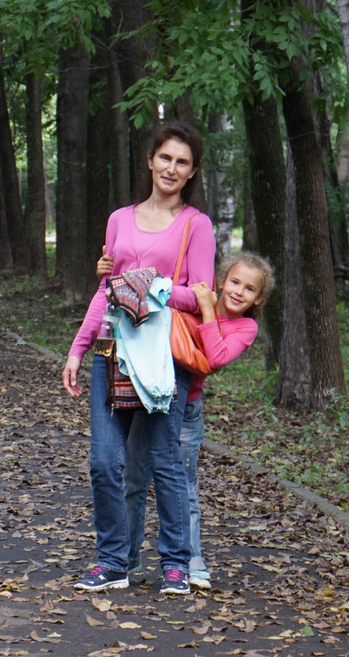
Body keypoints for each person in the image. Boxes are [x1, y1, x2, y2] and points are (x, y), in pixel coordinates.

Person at [62, 122, 216, 596]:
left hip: (160, 357)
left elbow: (203, 295)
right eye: (165, 158)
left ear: (191, 173)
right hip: (112, 350)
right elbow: (106, 292)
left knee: (165, 462)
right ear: (150, 160)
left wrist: (153, 287)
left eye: (182, 162)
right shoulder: (118, 219)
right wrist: (77, 349)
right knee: (105, 463)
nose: (172, 168)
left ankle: (175, 562)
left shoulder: (197, 225)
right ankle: (113, 562)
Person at [122, 250, 274, 590]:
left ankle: (190, 560)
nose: (238, 292)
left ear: (258, 298)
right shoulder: (192, 298)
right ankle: (127, 557)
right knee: (133, 479)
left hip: (187, 410)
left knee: (182, 487)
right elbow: (153, 288)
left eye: (249, 289)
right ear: (221, 280)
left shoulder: (246, 327)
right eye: (234, 282)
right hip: (151, 399)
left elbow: (216, 357)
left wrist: (207, 309)